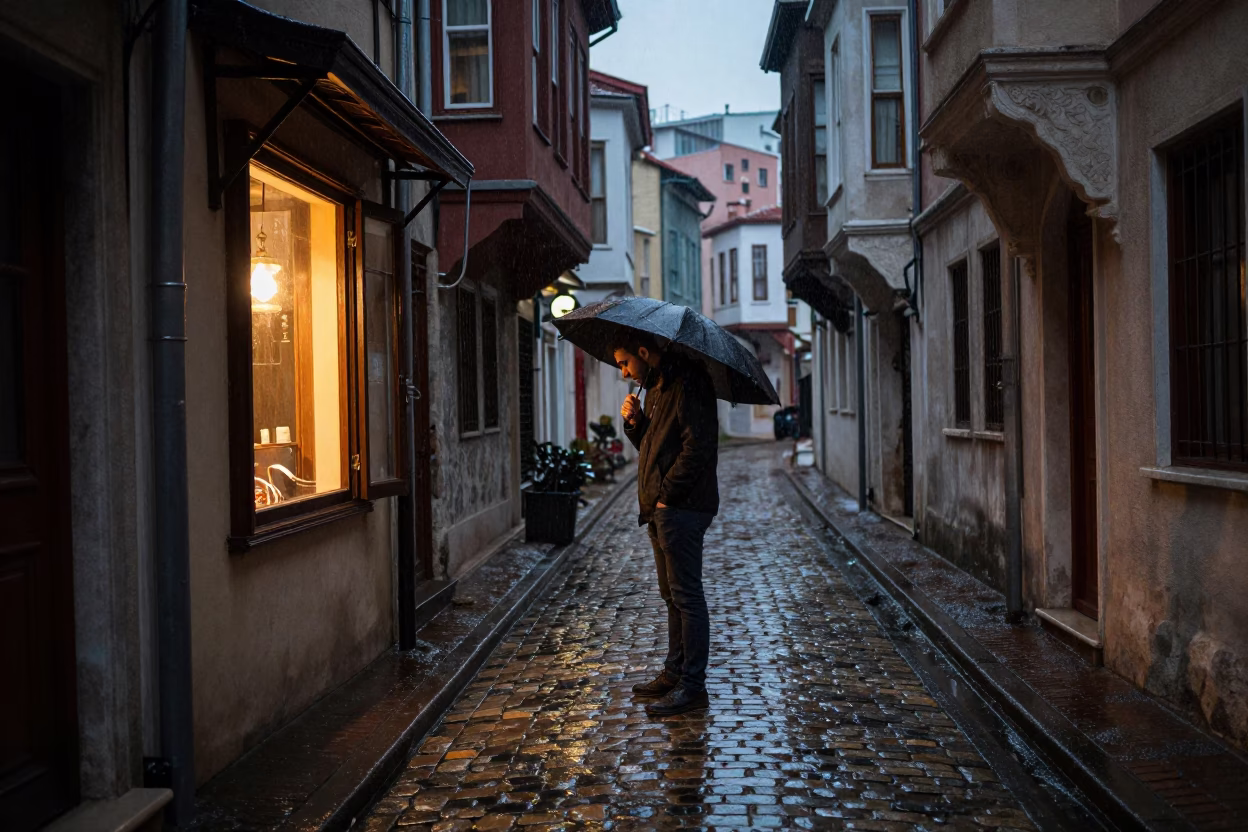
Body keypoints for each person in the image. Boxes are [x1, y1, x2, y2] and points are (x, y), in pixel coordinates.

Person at [614, 333, 719, 716]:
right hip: (662, 510)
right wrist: (635, 423)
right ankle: (674, 673)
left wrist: (667, 495)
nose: (624, 372)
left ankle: (692, 685)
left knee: (687, 597)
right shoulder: (658, 387)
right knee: (672, 596)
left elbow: (697, 447)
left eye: (625, 362)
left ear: (644, 352)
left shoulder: (688, 383)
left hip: (682, 508)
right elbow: (655, 448)